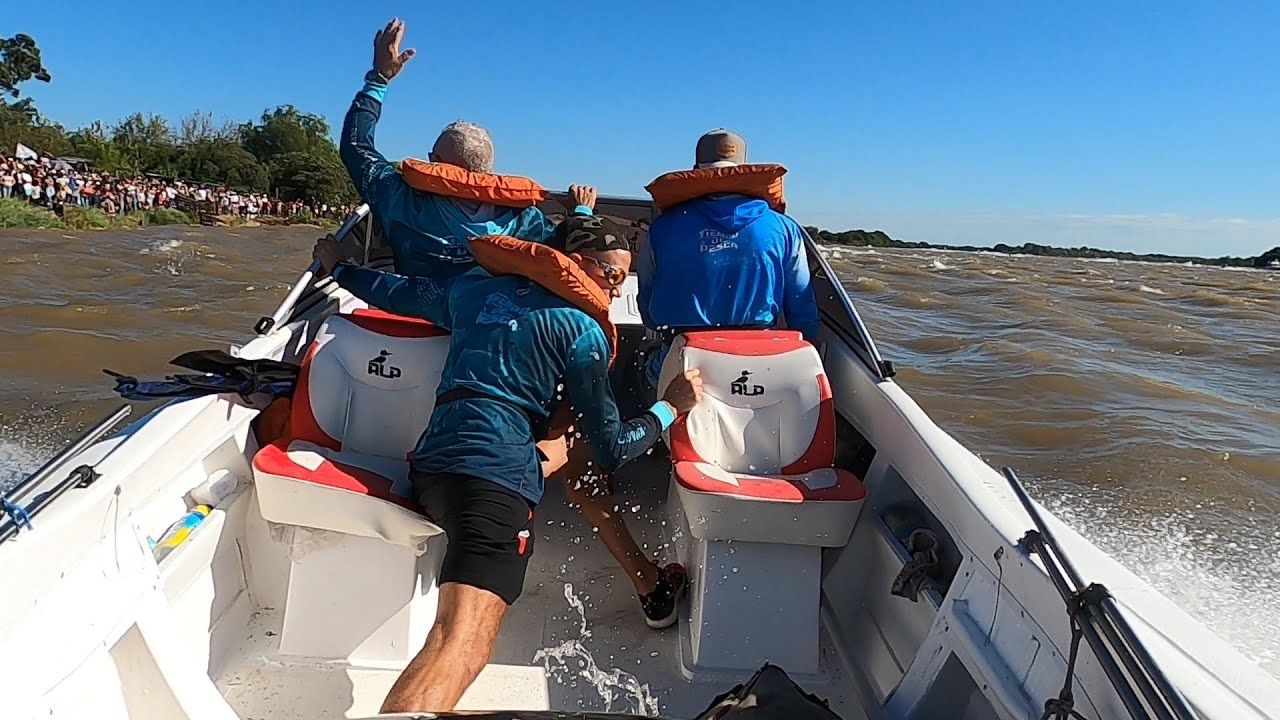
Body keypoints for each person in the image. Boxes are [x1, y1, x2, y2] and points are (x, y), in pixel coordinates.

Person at [311, 215, 703, 713]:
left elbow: (396, 291)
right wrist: (670, 406)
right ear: (574, 263)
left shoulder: (472, 289)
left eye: (622, 278)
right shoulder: (581, 330)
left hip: (433, 466)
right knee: (463, 639)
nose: (613, 286)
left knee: (462, 631)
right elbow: (611, 449)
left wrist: (339, 269)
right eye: (609, 273)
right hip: (494, 477)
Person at [340, 18, 584, 278]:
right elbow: (574, 255)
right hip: (484, 317)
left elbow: (355, 146)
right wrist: (581, 211)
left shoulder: (401, 199)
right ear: (486, 172)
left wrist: (379, 79)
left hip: (409, 312)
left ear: (436, 162)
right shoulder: (525, 221)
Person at [636, 129, 822, 392]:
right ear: (742, 170)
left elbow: (647, 302)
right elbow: (802, 307)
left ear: (696, 170)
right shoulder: (785, 228)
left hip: (684, 357)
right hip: (757, 360)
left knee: (640, 373)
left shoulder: (662, 228)